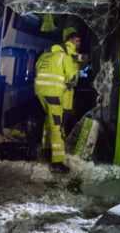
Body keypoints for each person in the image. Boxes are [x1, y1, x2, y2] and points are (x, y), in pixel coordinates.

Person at [34, 43, 78, 174]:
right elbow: (73, 78)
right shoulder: (64, 57)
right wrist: (70, 84)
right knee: (56, 126)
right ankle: (57, 162)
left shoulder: (43, 56)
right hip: (54, 94)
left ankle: (46, 148)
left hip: (40, 93)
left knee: (49, 119)